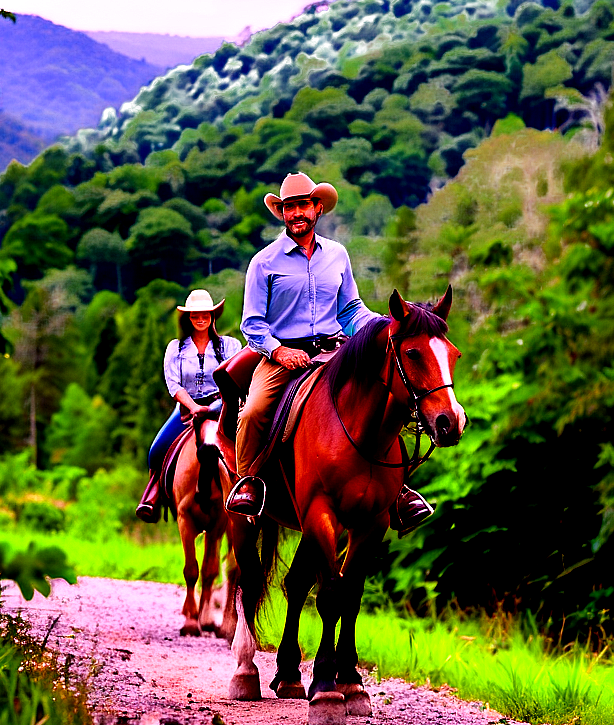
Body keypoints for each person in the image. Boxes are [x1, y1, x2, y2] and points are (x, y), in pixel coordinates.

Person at [225, 171, 435, 536]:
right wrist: (279, 351)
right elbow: (252, 324)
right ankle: (249, 483)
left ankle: (397, 490)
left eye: (303, 205)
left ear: (317, 207)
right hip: (281, 358)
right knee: (255, 410)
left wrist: (383, 326)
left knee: (383, 397)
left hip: (335, 351)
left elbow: (351, 309)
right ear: (282, 213)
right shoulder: (263, 261)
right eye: (289, 207)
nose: (297, 213)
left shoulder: (337, 254)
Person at [136, 289, 242, 523]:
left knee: (250, 440)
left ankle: (253, 489)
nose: (201, 319)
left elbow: (235, 377)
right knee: (156, 449)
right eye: (195, 315)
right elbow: (173, 384)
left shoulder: (230, 346)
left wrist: (215, 405)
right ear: (188, 318)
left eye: (205, 314)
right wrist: (193, 406)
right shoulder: (176, 348)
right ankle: (152, 497)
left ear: (213, 316)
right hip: (186, 409)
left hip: (221, 407)